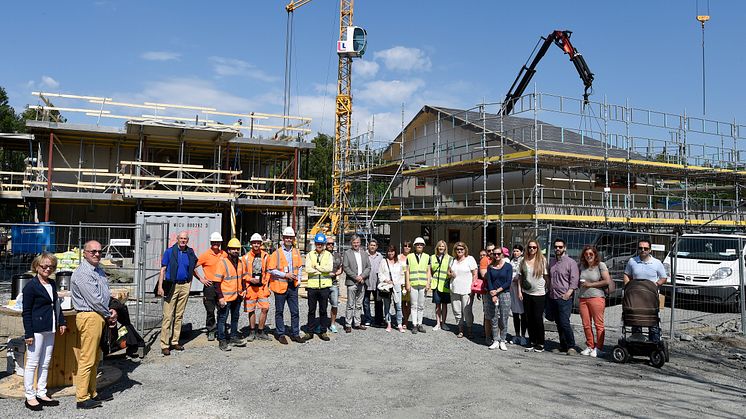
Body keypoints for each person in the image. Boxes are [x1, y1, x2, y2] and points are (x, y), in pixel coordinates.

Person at [71, 240, 116, 409]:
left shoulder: (98, 270)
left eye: (99, 251)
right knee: (87, 359)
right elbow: (95, 300)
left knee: (95, 358)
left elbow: (104, 295)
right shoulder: (83, 273)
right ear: (85, 253)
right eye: (93, 251)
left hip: (98, 316)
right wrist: (108, 314)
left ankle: (92, 392)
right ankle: (82, 397)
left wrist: (111, 310)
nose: (97, 254)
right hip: (90, 316)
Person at [22, 252, 66, 411]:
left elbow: (56, 305)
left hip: (51, 327)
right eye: (44, 266)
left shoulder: (52, 283)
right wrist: (28, 333)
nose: (48, 269)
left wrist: (61, 321)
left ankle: (41, 392)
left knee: (45, 362)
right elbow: (26, 311)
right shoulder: (31, 287)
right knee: (33, 362)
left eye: (51, 266)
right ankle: (30, 395)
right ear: (36, 266)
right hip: (36, 329)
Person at [157, 231, 197, 356]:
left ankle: (175, 341)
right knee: (168, 316)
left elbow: (193, 267)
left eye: (185, 238)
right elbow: (163, 270)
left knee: (179, 315)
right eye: (181, 238)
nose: (183, 240)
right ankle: (164, 344)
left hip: (184, 285)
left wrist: (194, 282)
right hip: (171, 285)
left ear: (187, 240)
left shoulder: (190, 252)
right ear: (177, 239)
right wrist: (160, 286)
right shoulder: (169, 252)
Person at [623, 238, 668, 342]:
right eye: (640, 248)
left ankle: (655, 342)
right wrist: (628, 286)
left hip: (650, 298)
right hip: (635, 298)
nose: (643, 250)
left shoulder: (656, 263)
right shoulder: (632, 261)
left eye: (645, 248)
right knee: (636, 320)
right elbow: (627, 274)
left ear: (650, 250)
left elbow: (663, 277)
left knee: (652, 321)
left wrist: (655, 285)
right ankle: (637, 342)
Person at [268, 227, 305, 344]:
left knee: (295, 311)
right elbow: (270, 270)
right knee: (279, 311)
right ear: (283, 238)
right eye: (287, 237)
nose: (289, 239)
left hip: (293, 286)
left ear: (293, 239)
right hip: (280, 286)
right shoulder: (276, 253)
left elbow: (299, 266)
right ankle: (280, 333)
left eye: (291, 237)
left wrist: (298, 279)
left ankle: (295, 333)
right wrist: (285, 275)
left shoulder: (296, 252)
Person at [547, 238, 580, 355]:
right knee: (558, 323)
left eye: (560, 247)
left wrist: (568, 293)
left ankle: (571, 346)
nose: (557, 249)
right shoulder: (551, 262)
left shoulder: (571, 263)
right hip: (553, 296)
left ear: (564, 248)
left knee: (564, 322)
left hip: (564, 297)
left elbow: (574, 280)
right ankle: (563, 345)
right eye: (556, 247)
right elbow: (549, 278)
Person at [214, 238, 247, 351]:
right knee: (222, 318)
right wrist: (220, 297)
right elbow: (217, 282)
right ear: (228, 250)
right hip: (226, 297)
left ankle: (233, 337)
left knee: (235, 318)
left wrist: (243, 289)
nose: (235, 251)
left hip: (237, 296)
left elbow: (242, 278)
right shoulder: (222, 262)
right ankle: (222, 340)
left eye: (237, 249)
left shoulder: (240, 262)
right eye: (233, 249)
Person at [578, 245, 611, 357]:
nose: (588, 256)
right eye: (586, 254)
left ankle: (599, 347)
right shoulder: (582, 266)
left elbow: (607, 281)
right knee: (586, 324)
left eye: (591, 254)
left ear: (595, 254)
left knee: (598, 324)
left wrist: (590, 284)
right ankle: (590, 345)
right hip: (583, 297)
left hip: (597, 297)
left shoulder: (600, 265)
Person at [194, 232, 226, 342]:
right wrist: (201, 279)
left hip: (222, 285)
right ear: (211, 243)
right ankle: (211, 330)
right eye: (214, 242)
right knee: (210, 310)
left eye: (218, 242)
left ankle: (221, 329)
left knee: (222, 308)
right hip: (210, 286)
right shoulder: (205, 255)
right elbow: (193, 267)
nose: (216, 244)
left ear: (221, 243)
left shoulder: (224, 254)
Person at [519, 239, 549, 353]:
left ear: (538, 249)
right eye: (530, 247)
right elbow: (520, 277)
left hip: (539, 294)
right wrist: (519, 291)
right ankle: (531, 341)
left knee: (537, 318)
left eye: (534, 247)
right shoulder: (523, 260)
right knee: (528, 318)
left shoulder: (542, 260)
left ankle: (540, 342)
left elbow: (546, 277)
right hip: (526, 293)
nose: (532, 249)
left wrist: (548, 288)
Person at [302, 233, 334, 342]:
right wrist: (321, 270)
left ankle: (323, 331)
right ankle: (310, 332)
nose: (319, 245)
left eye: (321, 243)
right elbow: (308, 269)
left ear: (324, 244)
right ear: (315, 243)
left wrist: (317, 267)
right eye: (317, 243)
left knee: (323, 310)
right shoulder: (310, 254)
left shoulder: (329, 255)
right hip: (312, 287)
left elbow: (329, 268)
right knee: (311, 310)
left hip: (324, 287)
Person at [243, 233, 272, 342]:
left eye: (258, 243)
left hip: (262, 287)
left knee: (265, 308)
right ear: (251, 244)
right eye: (254, 243)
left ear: (261, 244)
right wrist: (250, 279)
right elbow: (242, 273)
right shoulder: (245, 258)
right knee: (251, 310)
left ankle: (260, 331)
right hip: (250, 287)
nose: (256, 244)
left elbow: (269, 271)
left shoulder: (266, 256)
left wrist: (266, 283)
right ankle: (252, 332)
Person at [449, 241, 477, 338]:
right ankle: (460, 329)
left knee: (467, 311)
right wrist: (450, 274)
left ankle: (469, 330)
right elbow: (448, 272)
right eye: (457, 249)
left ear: (465, 250)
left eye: (461, 249)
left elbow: (475, 274)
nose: (459, 251)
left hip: (467, 290)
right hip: (454, 289)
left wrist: (474, 287)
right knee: (457, 310)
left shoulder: (470, 259)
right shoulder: (452, 260)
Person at [343, 234, 371, 333]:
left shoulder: (364, 253)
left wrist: (362, 276)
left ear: (360, 243)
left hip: (362, 282)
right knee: (350, 304)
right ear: (351, 243)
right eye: (354, 242)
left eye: (358, 242)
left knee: (359, 304)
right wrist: (356, 277)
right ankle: (348, 324)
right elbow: (345, 267)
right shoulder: (347, 253)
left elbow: (368, 267)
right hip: (352, 282)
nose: (356, 244)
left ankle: (357, 323)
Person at [486, 247, 512, 351]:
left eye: (498, 254)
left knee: (504, 317)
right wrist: (493, 293)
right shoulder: (490, 267)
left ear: (502, 254)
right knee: (493, 317)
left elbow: (508, 281)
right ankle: (495, 339)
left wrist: (497, 291)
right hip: (493, 295)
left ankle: (502, 340)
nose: (496, 256)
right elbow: (489, 281)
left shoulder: (508, 266)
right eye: (494, 254)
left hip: (504, 293)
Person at [405, 237, 431, 334]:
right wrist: (407, 283)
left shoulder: (427, 257)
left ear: (423, 246)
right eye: (417, 244)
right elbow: (407, 271)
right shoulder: (410, 256)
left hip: (423, 284)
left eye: (421, 244)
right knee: (413, 305)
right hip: (413, 284)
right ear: (415, 246)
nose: (419, 246)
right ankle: (414, 325)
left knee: (421, 305)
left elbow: (428, 271)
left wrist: (428, 283)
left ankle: (420, 324)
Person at [378, 245, 405, 332]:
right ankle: (388, 323)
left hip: (397, 285)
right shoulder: (383, 261)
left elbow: (401, 274)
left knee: (398, 306)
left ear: (395, 252)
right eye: (389, 251)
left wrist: (399, 283)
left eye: (392, 251)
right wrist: (386, 280)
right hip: (387, 286)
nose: (390, 253)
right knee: (387, 306)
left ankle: (399, 324)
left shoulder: (399, 262)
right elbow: (380, 273)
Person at [430, 240, 452, 331]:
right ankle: (438, 323)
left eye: (443, 246)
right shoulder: (432, 257)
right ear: (437, 247)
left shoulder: (450, 258)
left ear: (445, 248)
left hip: (445, 285)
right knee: (437, 305)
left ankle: (444, 323)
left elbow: (451, 271)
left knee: (445, 305)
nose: (441, 248)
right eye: (440, 246)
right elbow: (430, 271)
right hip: (436, 285)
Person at [509, 244, 528, 345]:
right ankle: (516, 334)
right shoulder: (511, 261)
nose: (515, 253)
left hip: (521, 289)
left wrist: (519, 279)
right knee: (515, 313)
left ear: (521, 252)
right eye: (514, 251)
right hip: (512, 289)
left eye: (517, 251)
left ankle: (523, 336)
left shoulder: (524, 261)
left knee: (523, 313)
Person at [363, 239, 383, 326]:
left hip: (377, 283)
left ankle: (378, 320)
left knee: (378, 302)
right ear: (368, 246)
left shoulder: (380, 256)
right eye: (371, 245)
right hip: (366, 282)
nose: (372, 247)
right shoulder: (364, 255)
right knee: (366, 302)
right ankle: (368, 319)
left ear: (376, 247)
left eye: (374, 245)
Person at [326, 235, 343, 333]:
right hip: (324, 283)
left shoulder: (337, 255)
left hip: (334, 283)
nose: (330, 245)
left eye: (332, 244)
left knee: (335, 304)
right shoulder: (322, 254)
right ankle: (323, 323)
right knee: (323, 305)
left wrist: (335, 273)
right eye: (328, 244)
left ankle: (332, 324)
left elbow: (341, 267)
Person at [479, 242, 496, 341]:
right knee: (488, 313)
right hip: (487, 290)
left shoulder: (498, 259)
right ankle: (487, 335)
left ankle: (496, 335)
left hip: (498, 290)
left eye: (492, 250)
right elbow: (484, 274)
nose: (491, 252)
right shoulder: (484, 260)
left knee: (498, 313)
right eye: (488, 251)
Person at [399, 241, 412, 329]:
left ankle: (406, 320)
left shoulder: (412, 257)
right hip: (400, 282)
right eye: (405, 246)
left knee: (410, 302)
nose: (407, 247)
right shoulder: (398, 257)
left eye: (409, 246)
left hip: (411, 282)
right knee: (403, 302)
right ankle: (405, 319)